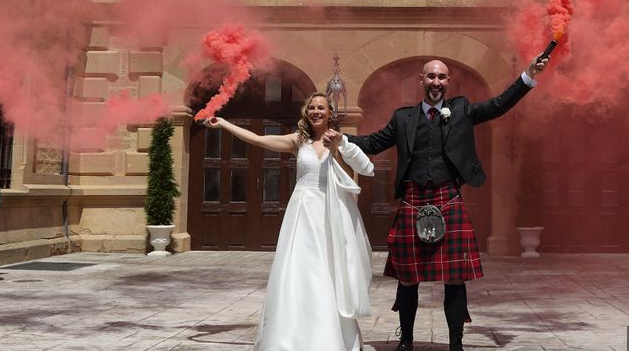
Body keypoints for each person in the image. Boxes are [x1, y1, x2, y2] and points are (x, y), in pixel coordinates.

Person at [346, 55, 548, 351]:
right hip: (413, 201)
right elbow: (374, 142)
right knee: (408, 277)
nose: (436, 83)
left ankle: (456, 344)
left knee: (455, 278)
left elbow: (499, 104)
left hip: (448, 198)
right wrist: (340, 139)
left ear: (448, 81)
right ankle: (406, 340)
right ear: (421, 80)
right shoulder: (403, 118)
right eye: (431, 77)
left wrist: (527, 75)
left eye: (441, 77)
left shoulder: (462, 109)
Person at [204, 92, 374, 351]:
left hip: (331, 214)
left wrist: (339, 146)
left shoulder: (340, 141)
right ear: (307, 113)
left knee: (331, 269)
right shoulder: (299, 141)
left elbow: (366, 169)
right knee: (301, 268)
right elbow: (259, 140)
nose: (316, 112)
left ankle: (333, 337)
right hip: (303, 212)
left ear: (330, 113)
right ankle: (292, 335)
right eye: (312, 108)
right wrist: (224, 124)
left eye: (322, 108)